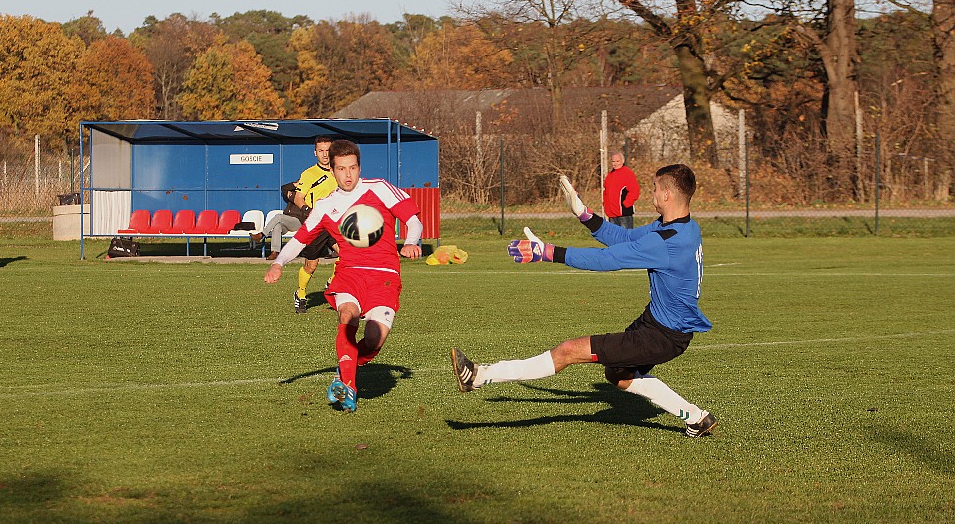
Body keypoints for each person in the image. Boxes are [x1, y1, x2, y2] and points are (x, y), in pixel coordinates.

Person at [451, 164, 717, 438]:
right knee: (618, 376)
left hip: (662, 335)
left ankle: (478, 376)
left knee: (567, 351)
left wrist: (547, 252)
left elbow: (607, 260)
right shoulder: (682, 227)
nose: (651, 192)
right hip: (658, 324)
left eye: (655, 188)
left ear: (667, 196)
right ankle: (697, 418)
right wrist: (582, 212)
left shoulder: (666, 242)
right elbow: (622, 237)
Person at [264, 139, 423, 413]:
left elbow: (413, 219)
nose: (348, 175)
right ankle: (348, 387)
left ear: (359, 167)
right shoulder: (326, 205)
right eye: (341, 169)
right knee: (347, 314)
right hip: (349, 273)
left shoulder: (380, 189)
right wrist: (279, 262)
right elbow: (300, 239)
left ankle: (346, 366)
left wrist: (412, 241)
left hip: (384, 274)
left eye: (352, 168)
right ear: (333, 170)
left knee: (375, 339)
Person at [252, 135, 339, 313]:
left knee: (348, 254)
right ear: (315, 152)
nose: (324, 154)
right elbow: (298, 197)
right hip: (316, 224)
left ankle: (333, 283)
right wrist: (307, 209)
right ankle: (300, 294)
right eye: (321, 150)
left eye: (328, 150)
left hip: (335, 222)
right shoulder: (309, 174)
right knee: (311, 265)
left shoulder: (339, 170)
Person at [603, 152, 640, 229]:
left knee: (626, 237)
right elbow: (606, 192)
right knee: (614, 238)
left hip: (624, 213)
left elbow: (634, 191)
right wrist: (606, 205)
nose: (615, 163)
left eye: (617, 161)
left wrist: (626, 204)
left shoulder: (628, 173)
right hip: (612, 214)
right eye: (613, 161)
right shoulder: (610, 175)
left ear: (622, 161)